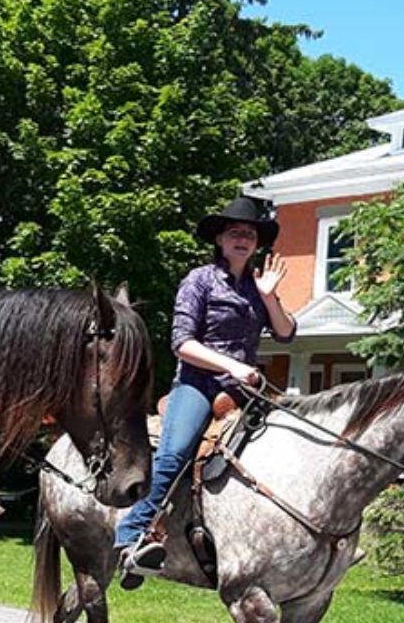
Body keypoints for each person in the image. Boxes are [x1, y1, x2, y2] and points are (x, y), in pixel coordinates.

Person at [114, 195, 296, 588]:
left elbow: (286, 333)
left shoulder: (257, 287)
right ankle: (130, 536)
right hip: (198, 384)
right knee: (175, 452)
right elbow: (182, 343)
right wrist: (232, 366)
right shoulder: (199, 280)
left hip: (245, 392)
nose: (243, 239)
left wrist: (269, 296)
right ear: (219, 239)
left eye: (250, 234)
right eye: (235, 233)